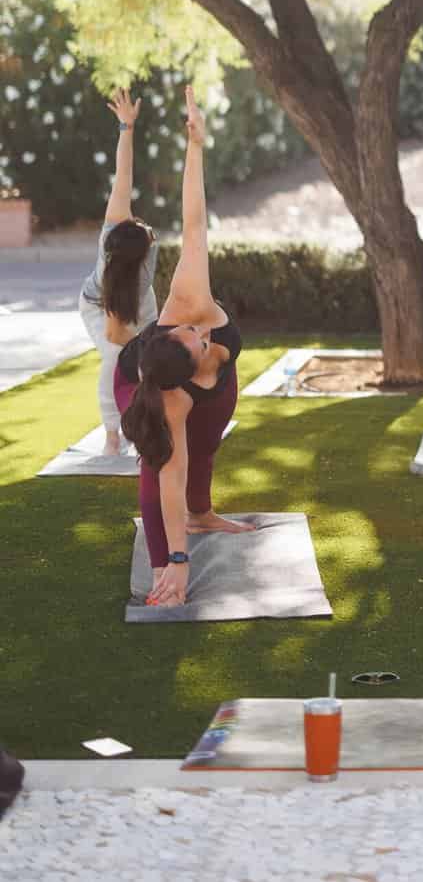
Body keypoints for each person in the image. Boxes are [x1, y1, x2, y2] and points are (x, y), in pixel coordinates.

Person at [115, 87, 251, 607]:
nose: (201, 332)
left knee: (208, 438)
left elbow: (194, 221)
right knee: (165, 459)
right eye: (195, 339)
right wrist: (173, 562)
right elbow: (165, 481)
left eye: (186, 330)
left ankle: (203, 512)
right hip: (140, 379)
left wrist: (196, 146)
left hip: (171, 370)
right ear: (186, 370)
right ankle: (161, 558)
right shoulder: (169, 396)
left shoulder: (189, 299)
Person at [77, 89, 159, 454]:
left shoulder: (118, 227)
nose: (148, 230)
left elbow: (123, 174)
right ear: (136, 256)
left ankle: (150, 422)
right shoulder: (120, 264)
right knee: (116, 360)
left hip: (139, 305)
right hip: (101, 305)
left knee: (152, 358)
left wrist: (127, 127)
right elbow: (117, 333)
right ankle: (113, 434)